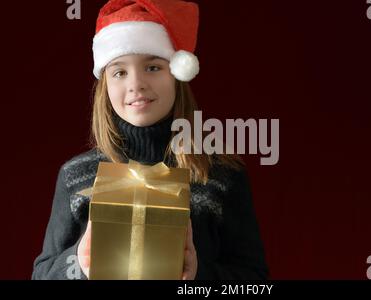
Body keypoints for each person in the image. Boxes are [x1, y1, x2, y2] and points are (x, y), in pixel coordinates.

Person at [32, 0, 268, 280]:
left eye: (153, 67)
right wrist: (77, 263)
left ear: (177, 75)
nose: (136, 84)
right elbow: (41, 275)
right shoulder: (76, 177)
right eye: (120, 72)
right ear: (105, 86)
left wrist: (198, 274)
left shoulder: (220, 175)